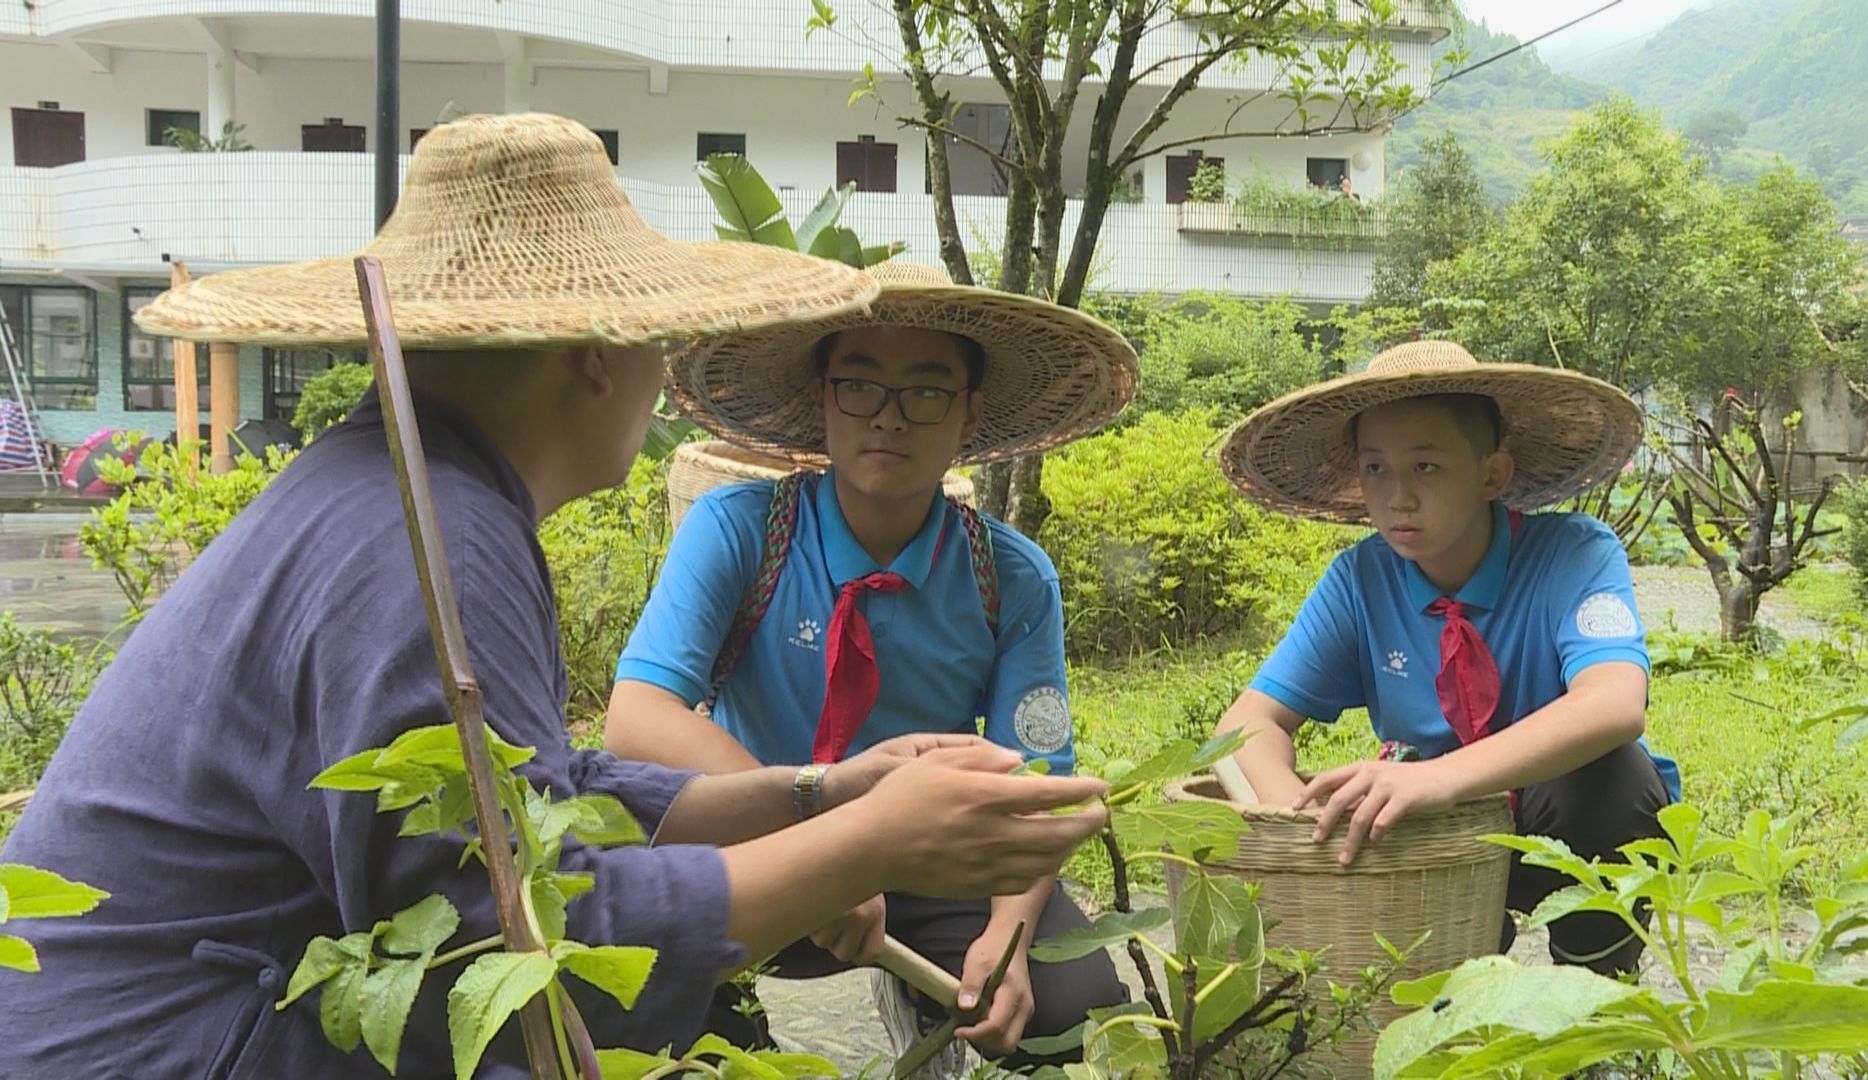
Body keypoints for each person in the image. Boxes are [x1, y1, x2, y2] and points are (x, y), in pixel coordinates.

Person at [0, 114, 1110, 1079]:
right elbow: (512, 941)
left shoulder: (419, 499)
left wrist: (820, 797)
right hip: (171, 1043)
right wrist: (863, 843)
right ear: (595, 354)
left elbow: (541, 795)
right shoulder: (435, 543)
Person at [605, 261, 1139, 1073]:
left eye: (926, 392)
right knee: (656, 993)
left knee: (1075, 1007)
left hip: (931, 855)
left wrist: (1007, 937)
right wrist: (827, 841)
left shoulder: (1010, 578)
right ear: (823, 397)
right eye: (860, 385)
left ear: (970, 412)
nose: (889, 418)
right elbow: (639, 715)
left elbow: (1032, 781)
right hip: (765, 838)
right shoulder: (739, 531)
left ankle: (934, 1002)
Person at [1213, 340, 1682, 976]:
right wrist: (1303, 826)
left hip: (1557, 823)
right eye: (1376, 469)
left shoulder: (1573, 554)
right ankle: (1458, 972)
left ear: (1491, 474)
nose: (1398, 497)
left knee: (1614, 780)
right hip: (1434, 835)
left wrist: (1439, 777)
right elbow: (1245, 727)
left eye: (1426, 467)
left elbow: (1615, 702)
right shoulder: (1360, 583)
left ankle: (1593, 995)